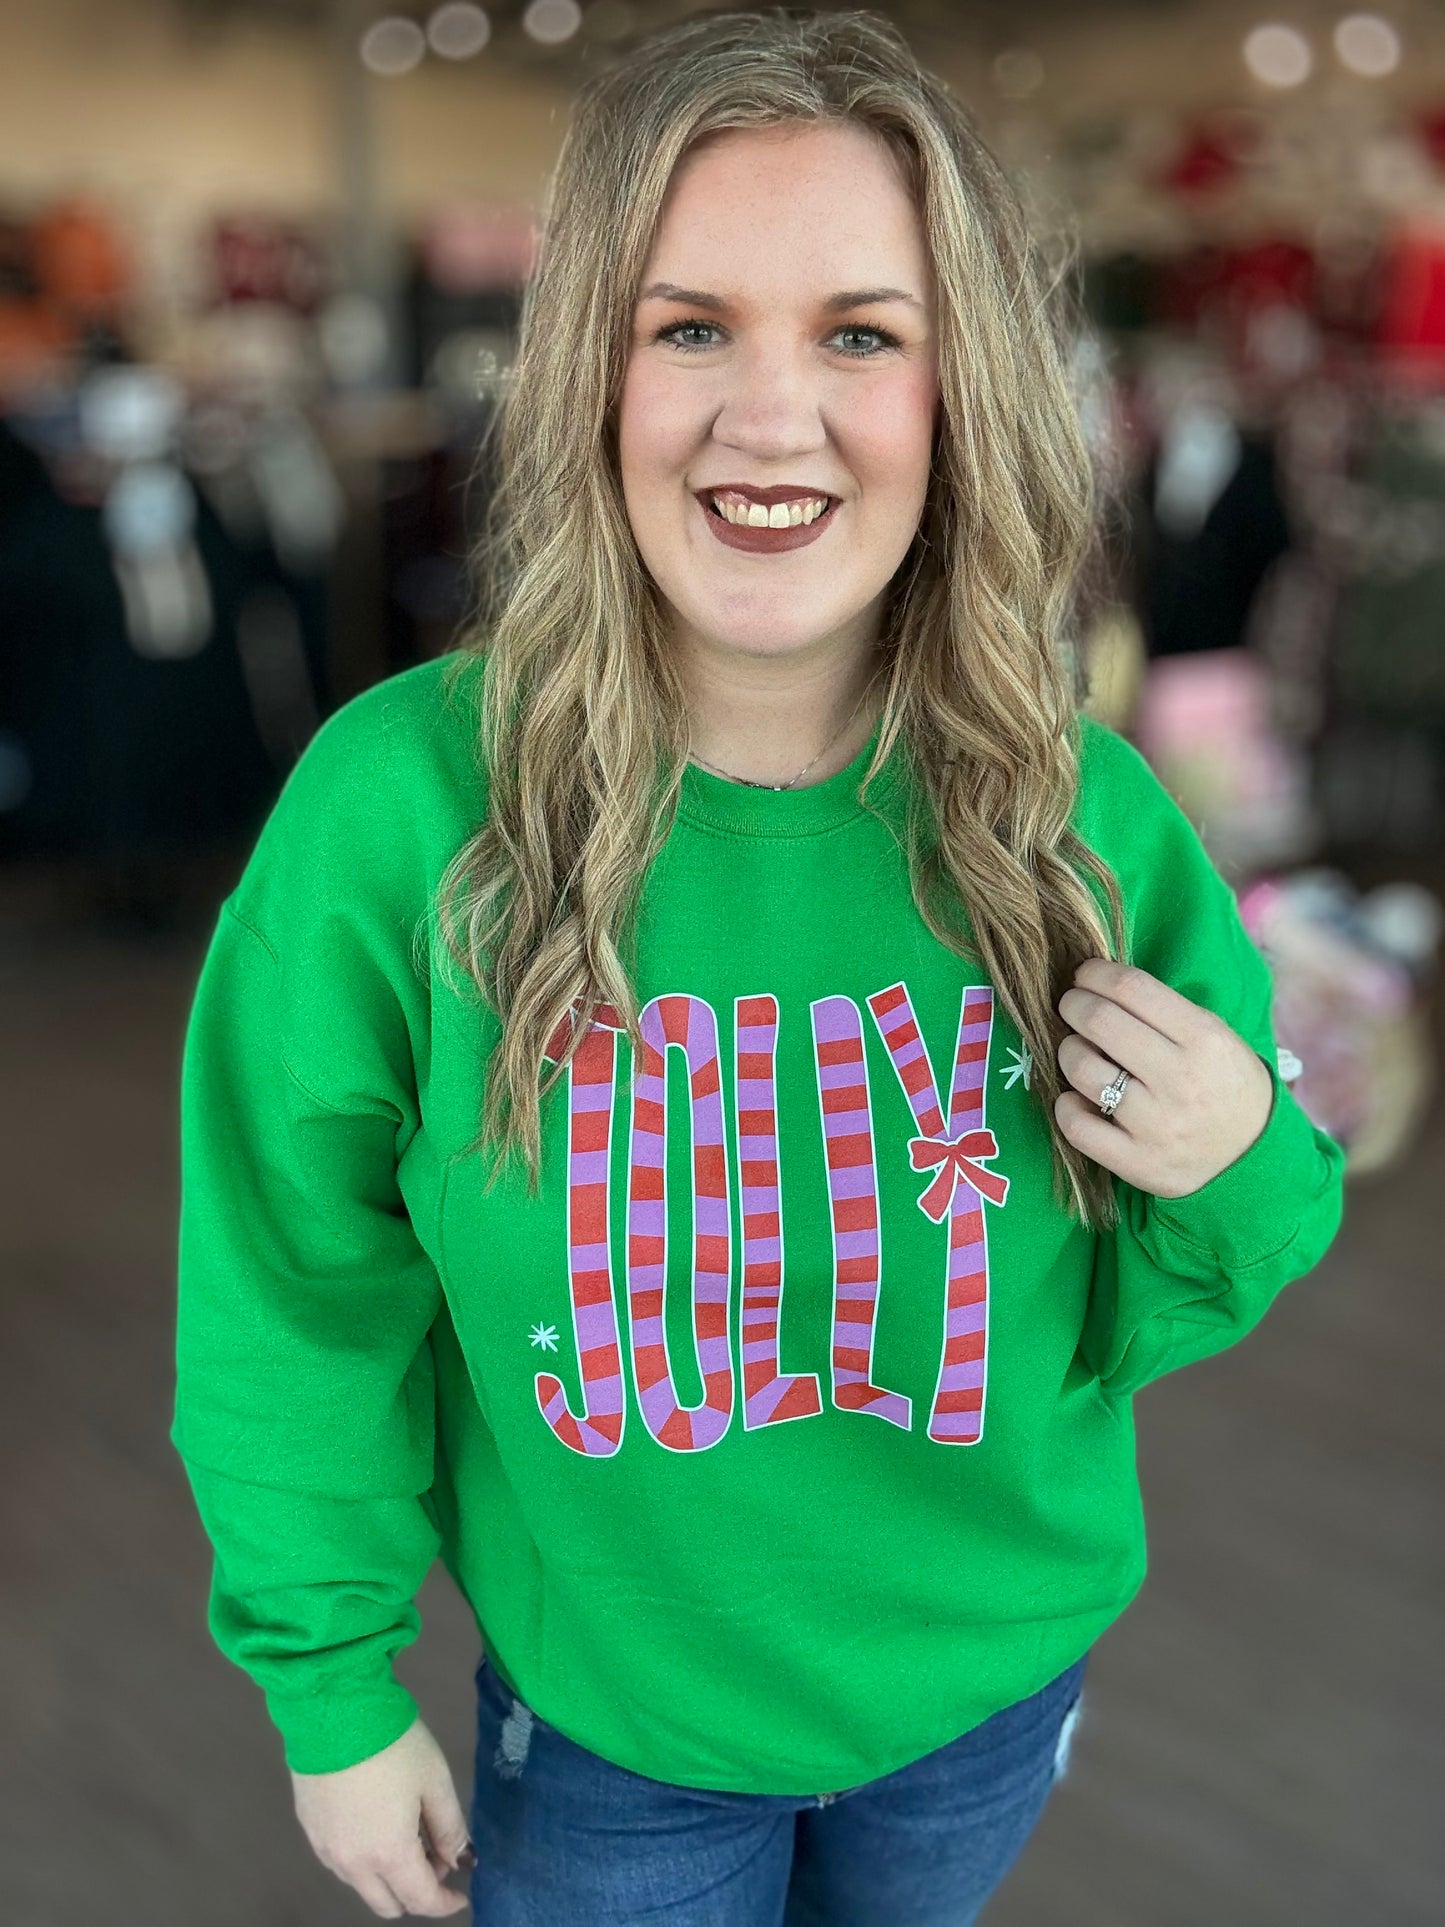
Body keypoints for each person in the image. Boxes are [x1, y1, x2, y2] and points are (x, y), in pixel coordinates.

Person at [171, 9, 1347, 1922]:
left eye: (860, 334)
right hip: (614, 1733)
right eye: (688, 323)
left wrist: (1240, 1157)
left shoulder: (1082, 816)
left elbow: (1175, 1295)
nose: (768, 414)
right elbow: (294, 1286)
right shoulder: (398, 808)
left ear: (954, 390)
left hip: (985, 1691)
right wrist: (328, 1691)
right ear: (586, 375)